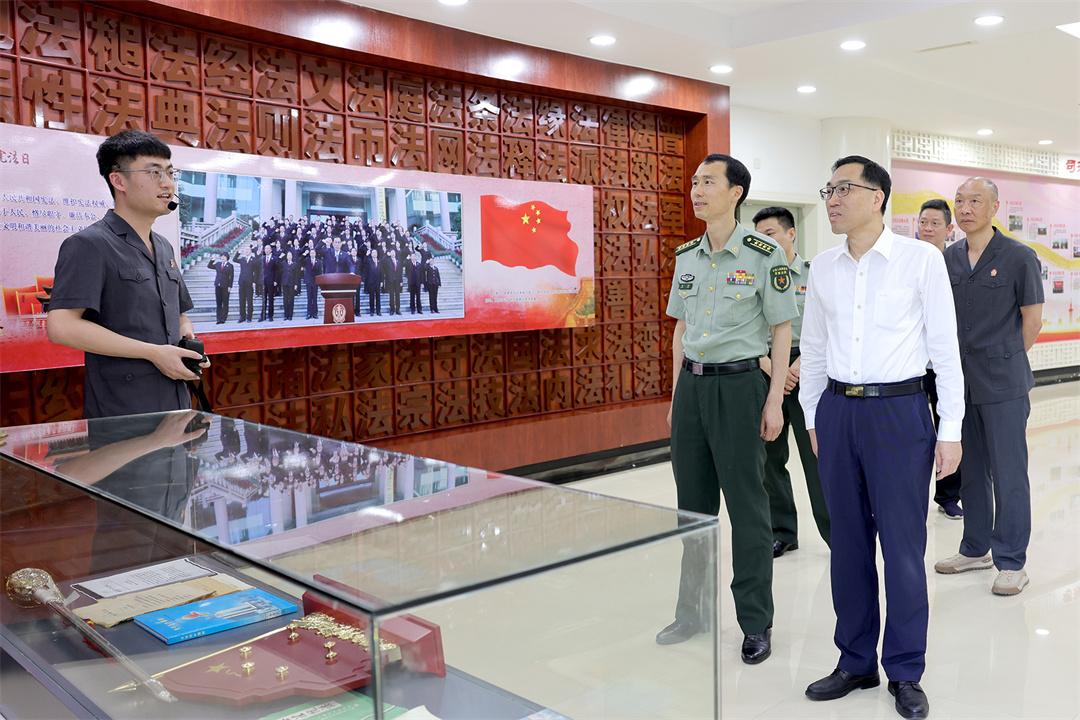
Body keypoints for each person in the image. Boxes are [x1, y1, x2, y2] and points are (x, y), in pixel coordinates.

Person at [799, 156, 963, 720]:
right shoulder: (823, 267)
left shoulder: (921, 260)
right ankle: (855, 661)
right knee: (846, 544)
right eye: (828, 189)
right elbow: (813, 347)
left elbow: (945, 348)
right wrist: (814, 416)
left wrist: (951, 430)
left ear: (878, 198)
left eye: (844, 188)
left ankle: (906, 669)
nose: (833, 199)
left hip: (900, 413)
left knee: (902, 548)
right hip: (838, 412)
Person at [659, 153, 798, 666]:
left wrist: (774, 399)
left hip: (740, 387)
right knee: (692, 510)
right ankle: (692, 612)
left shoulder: (764, 254)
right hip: (692, 389)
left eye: (708, 182)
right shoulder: (687, 256)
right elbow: (680, 329)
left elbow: (781, 329)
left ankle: (755, 621)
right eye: (694, 182)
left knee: (747, 509)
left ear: (735, 192)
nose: (696, 190)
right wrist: (675, 396)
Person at [46, 129, 208, 419]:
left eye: (170, 172)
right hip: (122, 413)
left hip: (176, 403)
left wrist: (186, 337)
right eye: (154, 172)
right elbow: (62, 327)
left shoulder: (164, 246)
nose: (167, 183)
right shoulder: (89, 244)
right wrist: (154, 352)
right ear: (118, 180)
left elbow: (180, 314)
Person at [934, 177, 1044, 596]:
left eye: (975, 201)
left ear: (995, 207)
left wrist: (1005, 358)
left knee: (1008, 472)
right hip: (959, 384)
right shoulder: (948, 258)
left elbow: (1032, 320)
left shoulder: (1018, 256)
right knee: (971, 471)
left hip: (1003, 384)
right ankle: (975, 548)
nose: (965, 208)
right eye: (959, 201)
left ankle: (1012, 560)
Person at [753, 206, 830, 557]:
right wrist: (773, 367)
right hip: (766, 366)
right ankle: (782, 532)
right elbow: (744, 328)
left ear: (790, 234)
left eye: (769, 234)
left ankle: (835, 533)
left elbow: (828, 328)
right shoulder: (752, 276)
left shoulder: (815, 274)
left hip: (807, 366)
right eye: (757, 236)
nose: (763, 242)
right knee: (769, 458)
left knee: (817, 457)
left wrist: (796, 367)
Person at [916, 199, 964, 519]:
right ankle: (914, 491)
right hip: (914, 366)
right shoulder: (909, 260)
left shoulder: (956, 265)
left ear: (948, 229)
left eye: (935, 223)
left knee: (949, 428)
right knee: (918, 433)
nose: (928, 228)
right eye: (923, 222)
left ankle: (948, 495)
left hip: (946, 364)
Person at [233, 244, 258, 323]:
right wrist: (238, 253)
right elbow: (234, 259)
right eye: (245, 250)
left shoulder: (254, 259)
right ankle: (242, 317)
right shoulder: (242, 259)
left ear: (250, 251)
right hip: (242, 282)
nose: (246, 251)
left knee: (249, 300)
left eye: (248, 250)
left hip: (250, 282)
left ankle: (249, 317)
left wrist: (254, 281)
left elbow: (256, 271)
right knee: (242, 300)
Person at [207, 253, 234, 325]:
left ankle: (223, 318)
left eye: (224, 257)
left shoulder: (230, 265)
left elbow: (231, 276)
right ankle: (218, 319)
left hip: (225, 286)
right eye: (222, 257)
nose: (223, 258)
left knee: (225, 303)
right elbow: (209, 266)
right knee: (218, 303)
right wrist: (212, 260)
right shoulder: (218, 264)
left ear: (227, 258)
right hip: (218, 285)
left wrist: (230, 286)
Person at [259, 243, 280, 321]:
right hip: (263, 282)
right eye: (265, 249)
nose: (266, 250)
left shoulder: (275, 258)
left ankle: (270, 316)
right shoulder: (262, 258)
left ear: (271, 250)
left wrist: (276, 280)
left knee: (271, 299)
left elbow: (277, 271)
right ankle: (262, 316)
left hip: (271, 281)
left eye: (268, 248)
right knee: (264, 299)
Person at [382, 248, 403, 316]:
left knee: (397, 295)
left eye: (394, 252)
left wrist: (401, 281)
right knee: (391, 295)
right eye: (392, 252)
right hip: (390, 281)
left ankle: (398, 309)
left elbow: (400, 272)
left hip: (397, 281)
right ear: (390, 254)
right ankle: (392, 309)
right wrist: (386, 254)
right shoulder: (387, 260)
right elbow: (382, 262)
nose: (393, 253)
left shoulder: (398, 261)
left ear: (395, 253)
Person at [281, 250, 301, 321]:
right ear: (286, 256)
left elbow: (297, 275)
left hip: (292, 284)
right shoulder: (283, 263)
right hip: (285, 284)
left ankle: (290, 315)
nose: (289, 256)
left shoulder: (295, 264)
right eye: (288, 255)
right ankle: (285, 315)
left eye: (290, 255)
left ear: (292, 256)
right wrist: (280, 257)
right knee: (285, 300)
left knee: (291, 300)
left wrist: (296, 284)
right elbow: (279, 270)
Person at [365, 248, 383, 316]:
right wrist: (366, 255)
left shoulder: (379, 261)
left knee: (378, 297)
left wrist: (381, 281)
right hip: (371, 282)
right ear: (371, 254)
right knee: (371, 297)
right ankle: (372, 311)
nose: (375, 254)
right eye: (373, 253)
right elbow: (364, 265)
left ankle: (378, 311)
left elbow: (381, 272)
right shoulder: (369, 261)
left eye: (376, 252)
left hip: (378, 282)